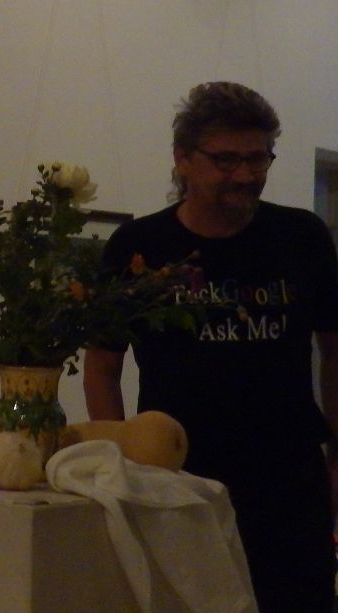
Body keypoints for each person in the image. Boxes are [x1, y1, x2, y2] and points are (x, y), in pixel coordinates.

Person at [83, 81, 338, 612]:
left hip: (289, 482)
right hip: (179, 482)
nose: (245, 175)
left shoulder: (303, 236)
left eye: (258, 158)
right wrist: (120, 471)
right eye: (226, 160)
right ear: (183, 159)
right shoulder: (140, 247)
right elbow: (103, 368)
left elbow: (335, 352)